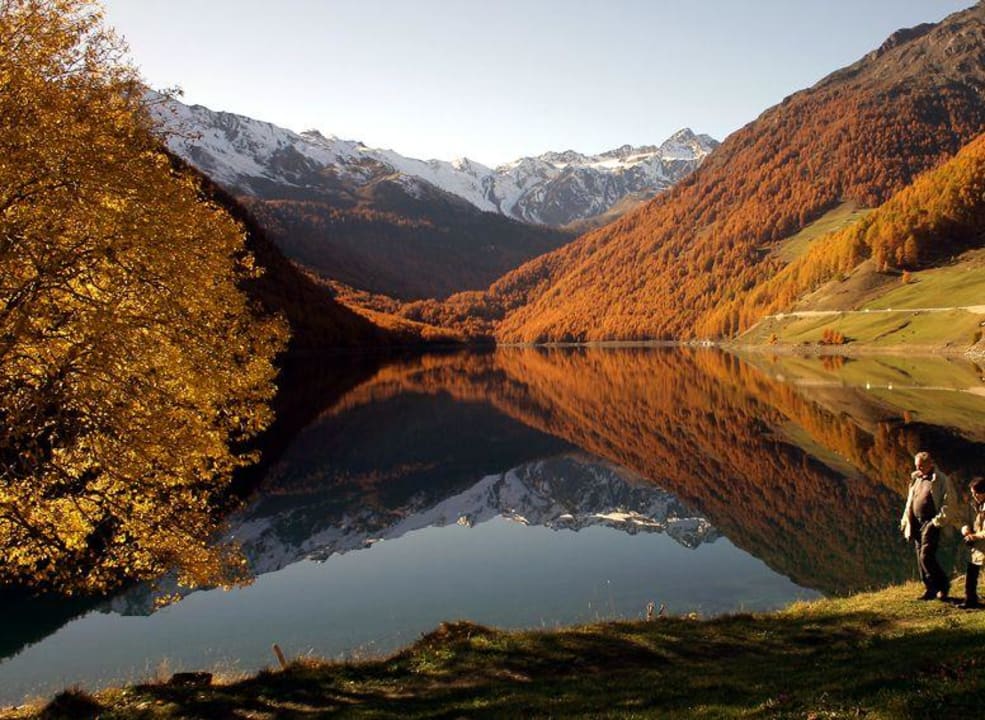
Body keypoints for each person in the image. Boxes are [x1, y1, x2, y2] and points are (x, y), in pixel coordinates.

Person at [900, 451, 960, 600]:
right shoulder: (916, 479)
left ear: (930, 464)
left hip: (931, 522)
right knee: (920, 557)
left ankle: (943, 586)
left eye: (921, 466)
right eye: (917, 466)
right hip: (916, 522)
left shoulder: (941, 480)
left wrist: (936, 522)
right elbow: (910, 501)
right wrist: (905, 520)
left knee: (926, 556)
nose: (918, 468)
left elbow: (949, 504)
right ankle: (930, 589)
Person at [959, 477, 985, 609]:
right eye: (972, 493)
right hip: (976, 545)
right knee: (971, 573)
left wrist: (974, 536)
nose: (974, 496)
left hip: (981, 543)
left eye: (976, 493)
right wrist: (965, 529)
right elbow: (965, 520)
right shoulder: (972, 505)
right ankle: (970, 600)